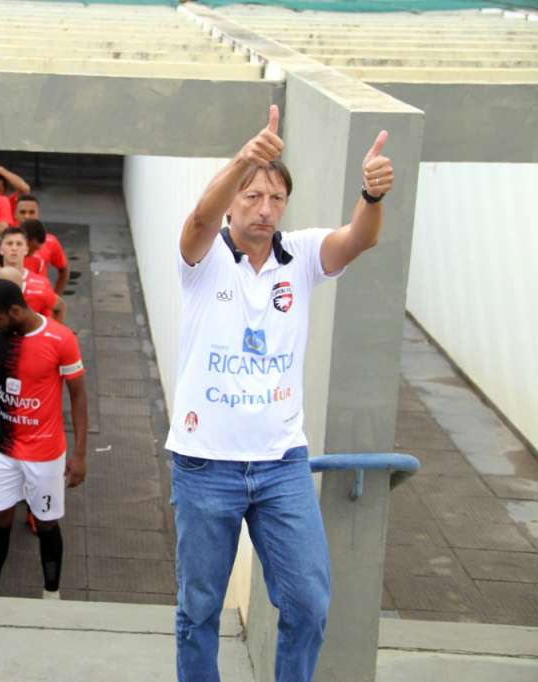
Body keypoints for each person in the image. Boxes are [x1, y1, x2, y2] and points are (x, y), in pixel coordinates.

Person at [169, 105, 394, 681]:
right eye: (252, 196)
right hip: (205, 464)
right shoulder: (203, 258)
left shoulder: (301, 256)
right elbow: (199, 217)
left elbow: (358, 240)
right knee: (198, 612)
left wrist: (369, 197)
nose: (265, 209)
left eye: (275, 198)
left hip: (281, 465)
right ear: (233, 200)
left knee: (308, 604)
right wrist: (246, 157)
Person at [0, 279, 89, 599]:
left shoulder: (61, 339)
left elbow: (78, 396)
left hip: (45, 454)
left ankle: (52, 597)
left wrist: (79, 454)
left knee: (47, 524)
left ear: (16, 310)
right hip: (3, 449)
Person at [19, 215, 69, 295]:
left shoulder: (50, 242)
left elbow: (64, 270)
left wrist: (56, 297)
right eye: (33, 248)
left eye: (32, 212)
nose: (27, 216)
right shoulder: (5, 248)